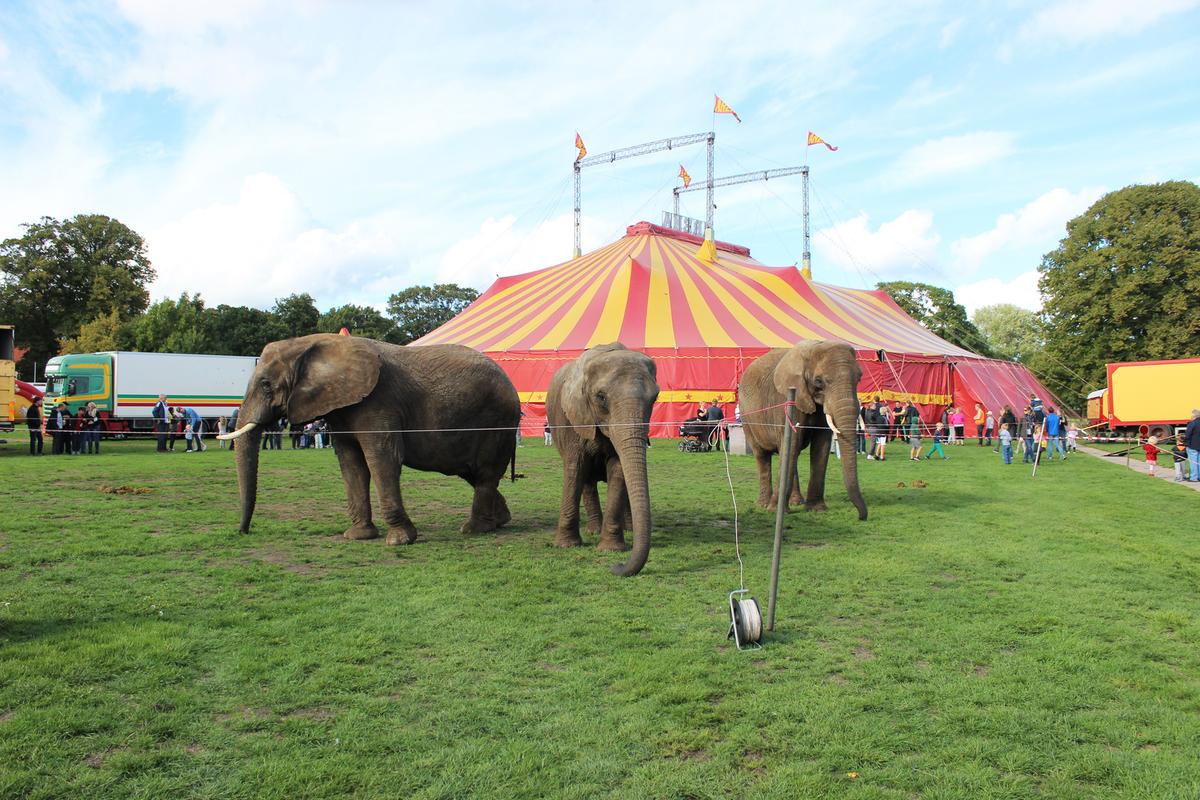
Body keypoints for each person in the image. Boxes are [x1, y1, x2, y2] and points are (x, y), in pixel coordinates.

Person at [1185, 409, 1200, 482]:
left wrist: (1183, 439)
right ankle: (1199, 476)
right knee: (1199, 462)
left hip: (1193, 445)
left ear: (1194, 415)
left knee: (1193, 462)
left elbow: (1187, 435)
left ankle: (1194, 477)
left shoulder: (1192, 423)